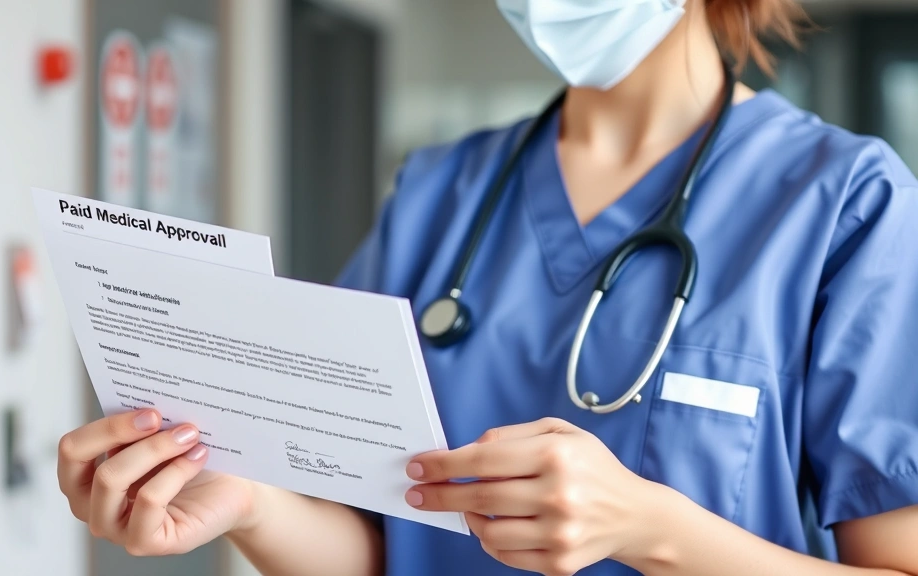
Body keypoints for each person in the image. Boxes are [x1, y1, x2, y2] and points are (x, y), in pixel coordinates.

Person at [56, 0, 918, 574]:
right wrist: (246, 501)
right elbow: (381, 548)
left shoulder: (845, 203)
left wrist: (649, 528)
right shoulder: (438, 193)